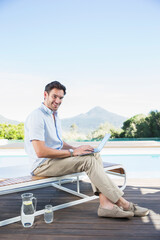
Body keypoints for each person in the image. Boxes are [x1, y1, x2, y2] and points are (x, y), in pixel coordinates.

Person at [25, 81, 149, 219]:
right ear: (45, 95)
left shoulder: (54, 115)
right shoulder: (37, 116)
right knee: (88, 161)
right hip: (42, 164)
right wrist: (73, 153)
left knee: (93, 155)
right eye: (54, 96)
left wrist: (76, 148)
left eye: (61, 98)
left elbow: (58, 142)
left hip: (55, 160)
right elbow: (40, 151)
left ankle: (105, 205)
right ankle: (124, 203)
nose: (57, 101)